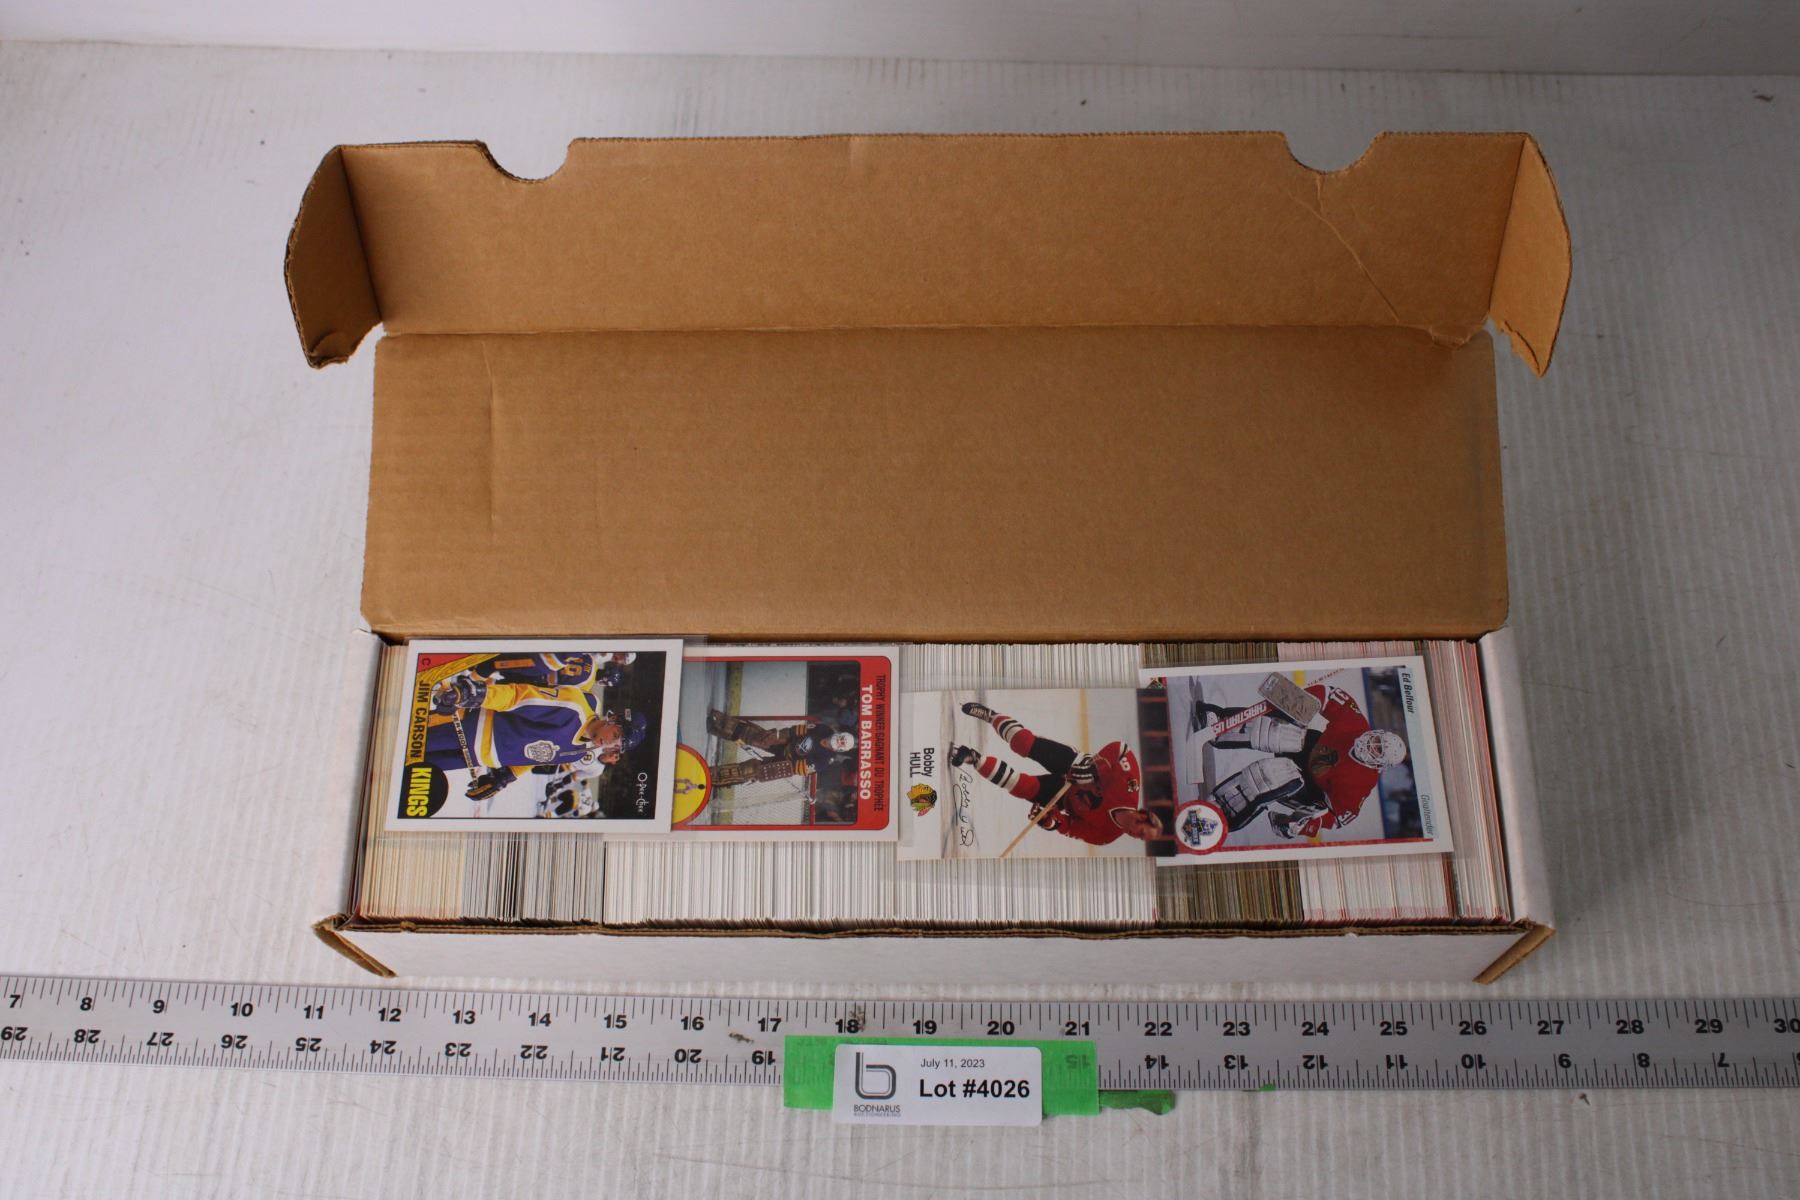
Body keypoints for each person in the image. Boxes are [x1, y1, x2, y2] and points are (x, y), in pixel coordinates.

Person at [1195, 682, 1407, 838]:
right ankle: (1220, 725)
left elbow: (1340, 818)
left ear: (1379, 764)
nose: (1372, 744)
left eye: (1378, 750)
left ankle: (1221, 812)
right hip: (1308, 748)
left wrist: (1304, 826)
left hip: (1306, 789)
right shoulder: (1356, 724)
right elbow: (1330, 695)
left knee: (1275, 774)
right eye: (1377, 740)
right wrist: (1300, 699)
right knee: (1281, 732)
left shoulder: (1362, 782)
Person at [949, 702, 1163, 846]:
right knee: (1024, 744)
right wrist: (1094, 768)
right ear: (1143, 816)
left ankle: (973, 758)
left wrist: (1051, 821)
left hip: (1063, 798)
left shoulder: (1106, 836)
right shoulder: (1129, 788)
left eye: (1140, 838)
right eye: (1141, 832)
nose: (1136, 836)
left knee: (1021, 786)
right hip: (1074, 765)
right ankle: (992, 716)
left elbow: (1071, 828)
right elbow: (1121, 750)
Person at [422, 671, 647, 801]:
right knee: (409, 744)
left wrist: (505, 777)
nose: (610, 743)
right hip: (469, 727)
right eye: (616, 734)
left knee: (416, 768)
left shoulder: (581, 752)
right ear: (613, 719)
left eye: (617, 744)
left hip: (474, 757)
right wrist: (477, 694)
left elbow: (538, 755)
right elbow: (519, 697)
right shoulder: (573, 709)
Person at [706, 710, 857, 777]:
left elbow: (800, 769)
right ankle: (718, 723)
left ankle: (714, 775)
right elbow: (797, 730)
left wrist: (782, 763)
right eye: (841, 738)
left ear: (841, 749)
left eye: (842, 743)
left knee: (753, 771)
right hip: (786, 742)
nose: (839, 741)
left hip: (787, 762)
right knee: (756, 735)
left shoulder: (826, 759)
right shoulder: (824, 729)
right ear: (839, 734)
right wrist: (777, 736)